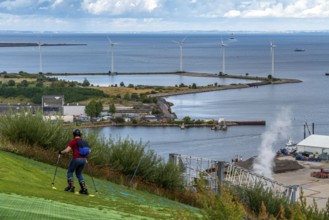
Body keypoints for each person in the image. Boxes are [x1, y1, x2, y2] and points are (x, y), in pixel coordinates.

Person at [59, 129, 89, 195]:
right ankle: (84, 189)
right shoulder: (84, 142)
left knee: (70, 171)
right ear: (80, 135)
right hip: (84, 160)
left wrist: (61, 152)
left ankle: (71, 187)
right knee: (79, 174)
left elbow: (67, 150)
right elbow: (89, 151)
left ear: (74, 135)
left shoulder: (73, 141)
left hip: (76, 159)